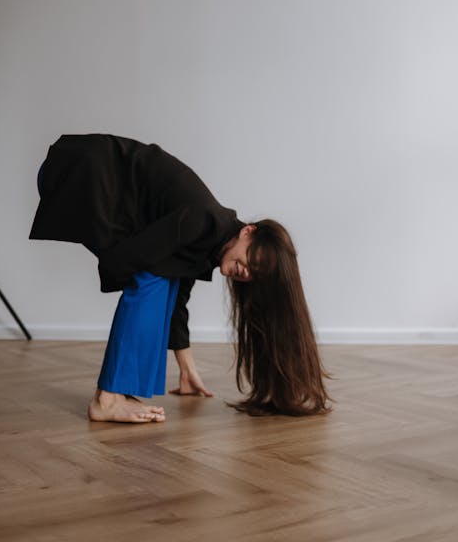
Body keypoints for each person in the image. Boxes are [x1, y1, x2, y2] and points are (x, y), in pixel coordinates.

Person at [30, 133, 333, 423]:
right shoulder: (202, 220)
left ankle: (118, 393)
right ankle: (107, 399)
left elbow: (178, 302)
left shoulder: (210, 242)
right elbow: (133, 261)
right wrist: (133, 278)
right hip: (75, 170)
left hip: (80, 171)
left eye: (256, 274)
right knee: (153, 280)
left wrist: (186, 370)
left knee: (164, 280)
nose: (246, 272)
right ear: (248, 231)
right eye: (251, 260)